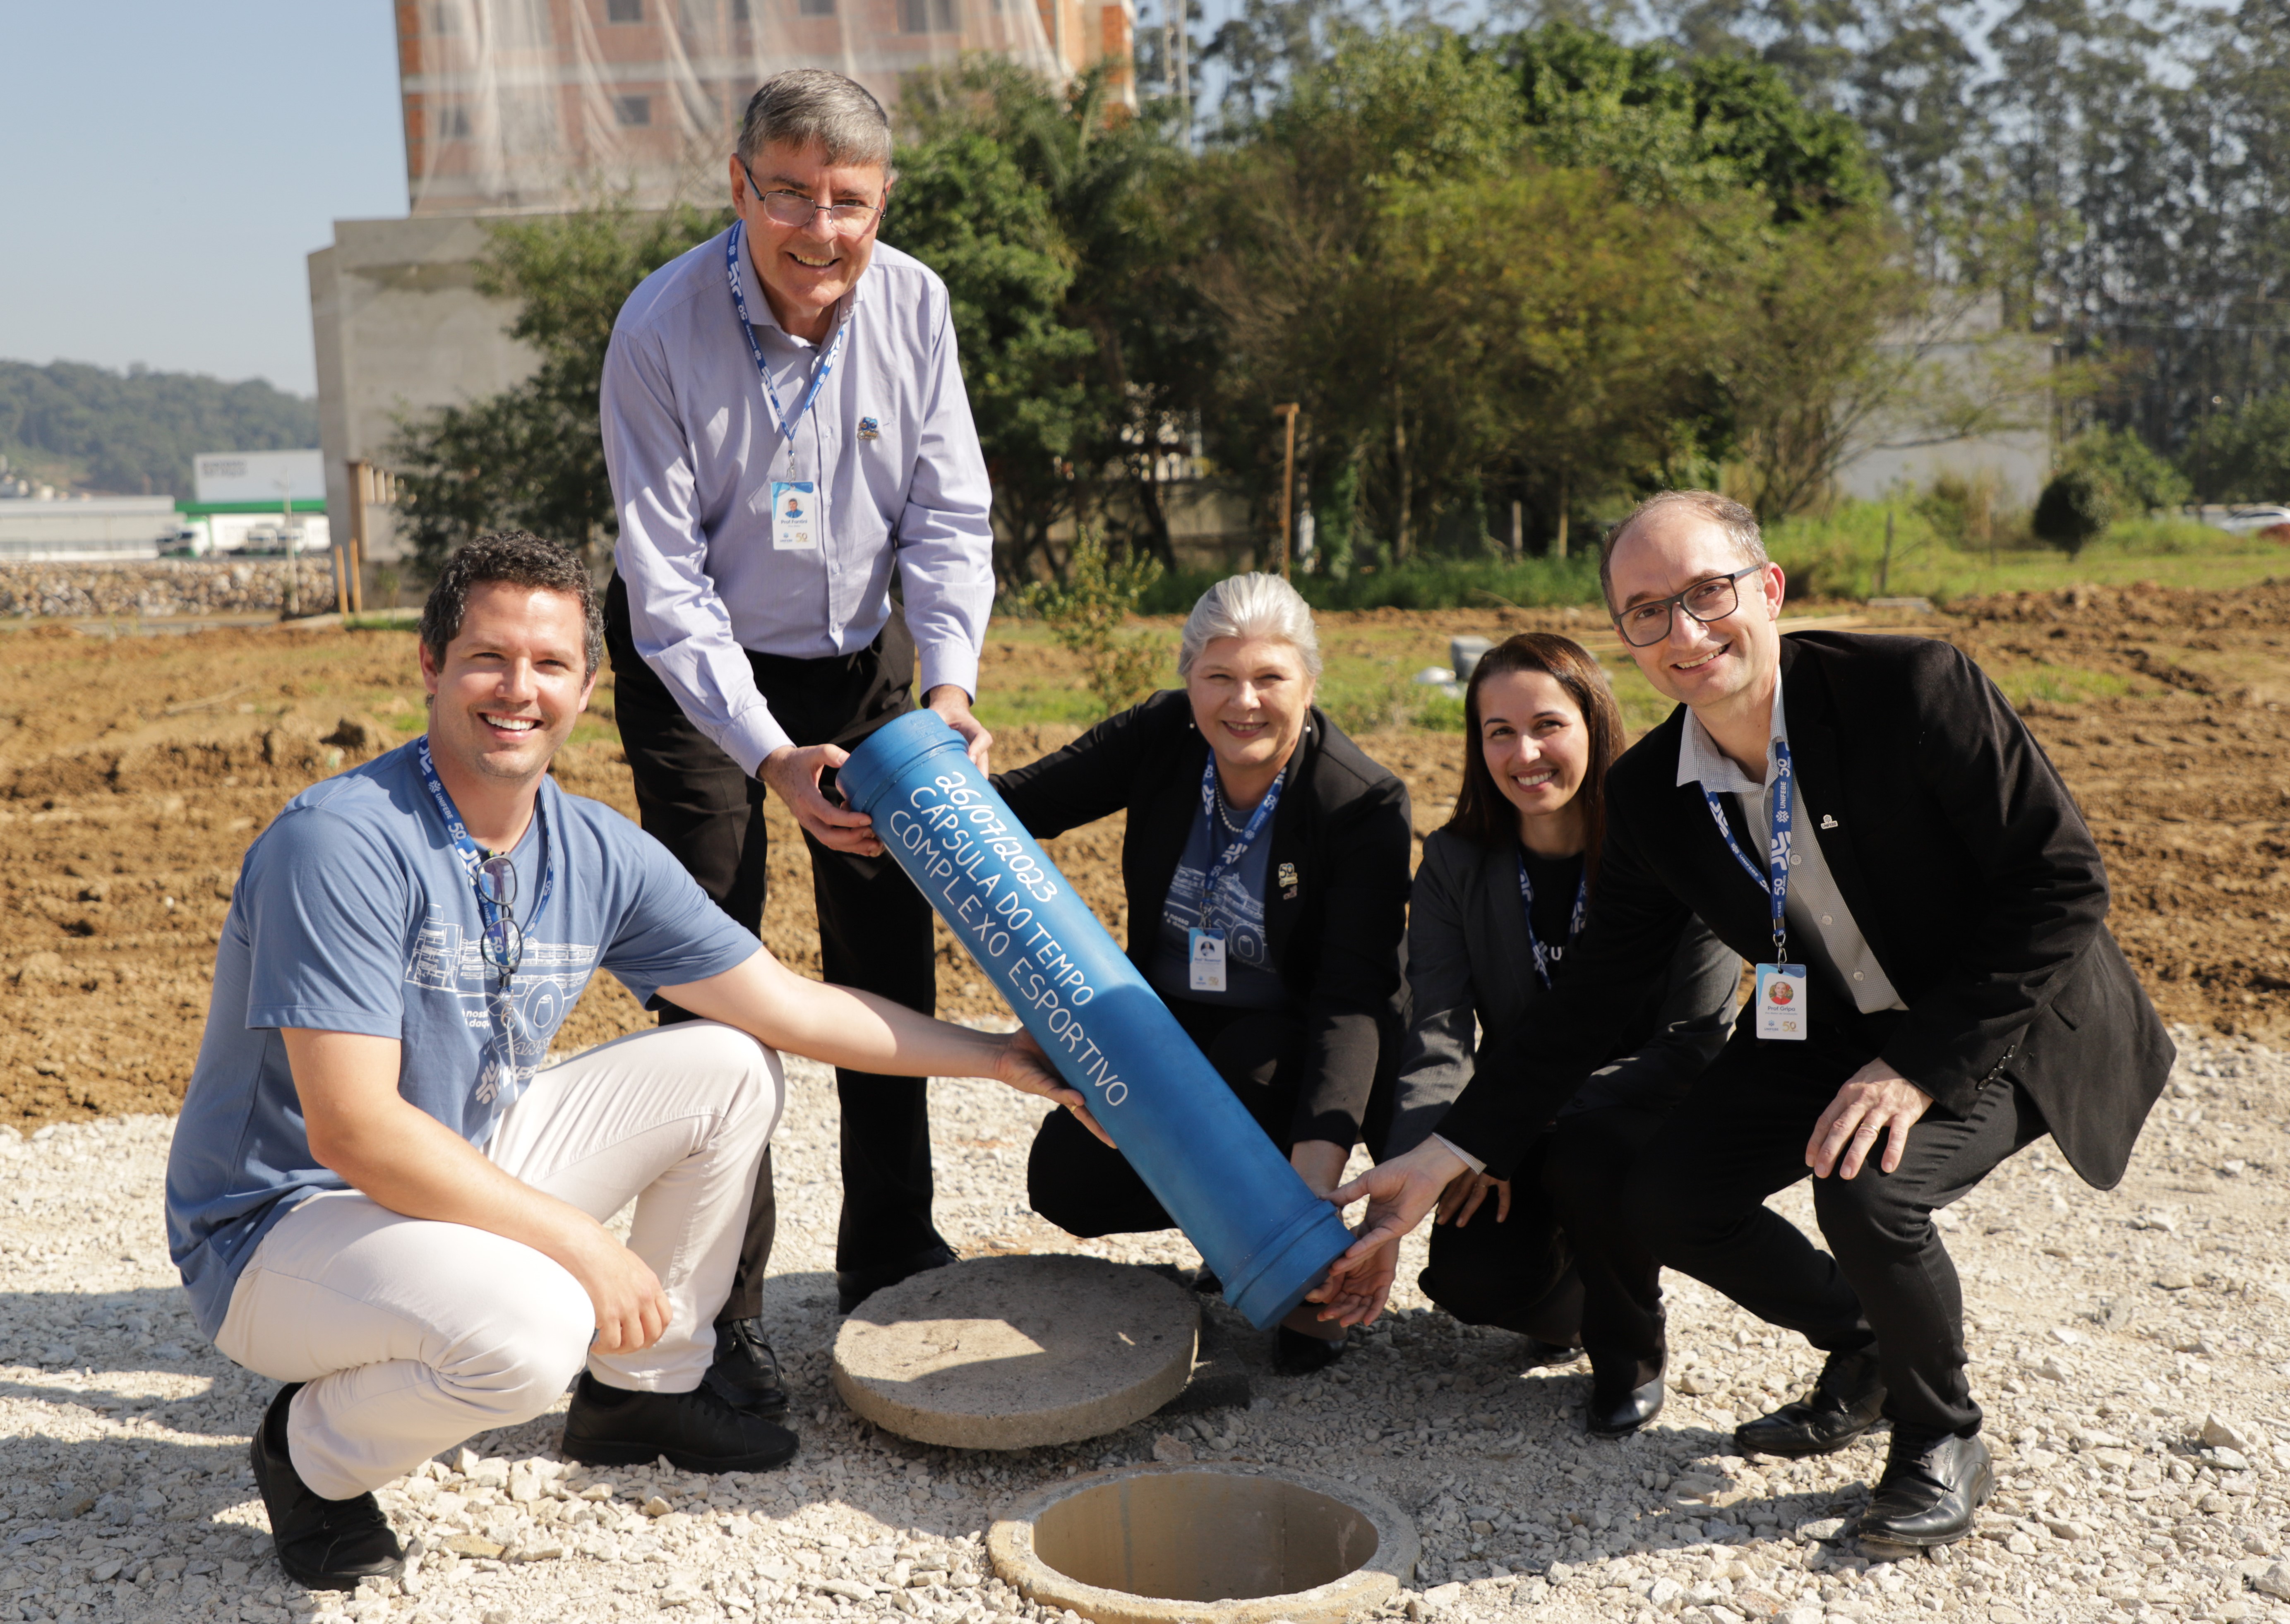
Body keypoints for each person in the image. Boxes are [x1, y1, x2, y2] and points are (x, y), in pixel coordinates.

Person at [164, 536, 1094, 1593]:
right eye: (488, 658)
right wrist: (584, 1249)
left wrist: (997, 1058)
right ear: (430, 664)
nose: (519, 690)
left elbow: (785, 1004)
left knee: (729, 1063)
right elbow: (353, 1131)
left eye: (551, 665)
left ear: (587, 687)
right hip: (280, 1220)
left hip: (444, 1163)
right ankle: (313, 1454)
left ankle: (644, 1390)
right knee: (532, 1328)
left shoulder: (592, 850)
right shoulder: (341, 842)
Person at [1325, 492, 2172, 1559]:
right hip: (1826, 1023)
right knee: (1668, 1194)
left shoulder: (1910, 685)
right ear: (1622, 637)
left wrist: (1910, 1072)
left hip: (2001, 1014)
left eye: (1705, 594)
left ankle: (1938, 1431)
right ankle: (1865, 1347)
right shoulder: (1649, 793)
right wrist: (1446, 1149)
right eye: (1645, 611)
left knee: (1863, 1182)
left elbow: (2059, 885)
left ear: (1765, 590)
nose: (1682, 633)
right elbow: (1589, 996)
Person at [600, 67, 996, 1420]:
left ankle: (893, 1251)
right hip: (697, 658)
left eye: (850, 203)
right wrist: (767, 752)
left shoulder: (917, 305)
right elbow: (663, 585)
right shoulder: (660, 329)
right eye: (790, 196)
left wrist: (949, 688)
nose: (820, 231)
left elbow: (947, 519)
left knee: (885, 936)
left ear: (881, 204)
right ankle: (728, 1308)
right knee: (715, 970)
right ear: (739, 187)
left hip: (865, 651)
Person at [990, 573, 1411, 1372]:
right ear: (1188, 680)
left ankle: (1292, 1262)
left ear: (1310, 683)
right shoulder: (1161, 734)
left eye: (1269, 678)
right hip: (1174, 1023)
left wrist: (1312, 1195)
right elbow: (1019, 806)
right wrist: (908, 783)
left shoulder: (1360, 802)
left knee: (1241, 1072)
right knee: (1068, 1181)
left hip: (1290, 1038)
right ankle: (1230, 1237)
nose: (1242, 701)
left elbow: (1351, 1001)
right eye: (1218, 675)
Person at [1381, 633, 1738, 1435]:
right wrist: (1422, 1171)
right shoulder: (1452, 863)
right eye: (1497, 731)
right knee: (1470, 1281)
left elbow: (1693, 1041)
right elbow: (1435, 1032)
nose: (1524, 751)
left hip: (1642, 1107)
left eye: (1547, 725)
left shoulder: (1671, 848)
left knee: (1591, 1156)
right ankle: (1578, 1293)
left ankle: (1630, 1347)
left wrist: (1501, 1127)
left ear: (1595, 726)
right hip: (1516, 1116)